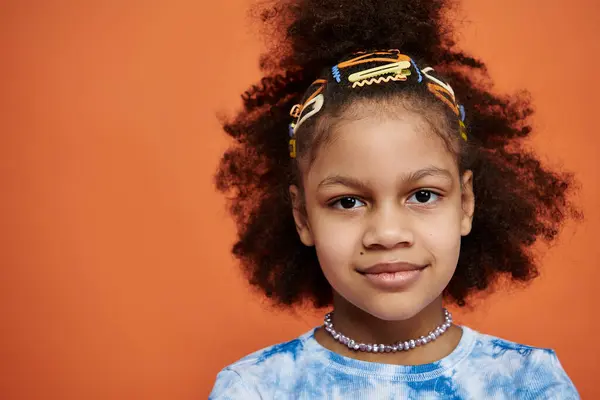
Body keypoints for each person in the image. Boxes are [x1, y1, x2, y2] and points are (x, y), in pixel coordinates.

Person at [209, 0, 580, 398]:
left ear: (465, 203)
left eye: (422, 195)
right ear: (302, 217)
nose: (387, 234)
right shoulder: (256, 389)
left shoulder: (529, 383)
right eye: (348, 202)